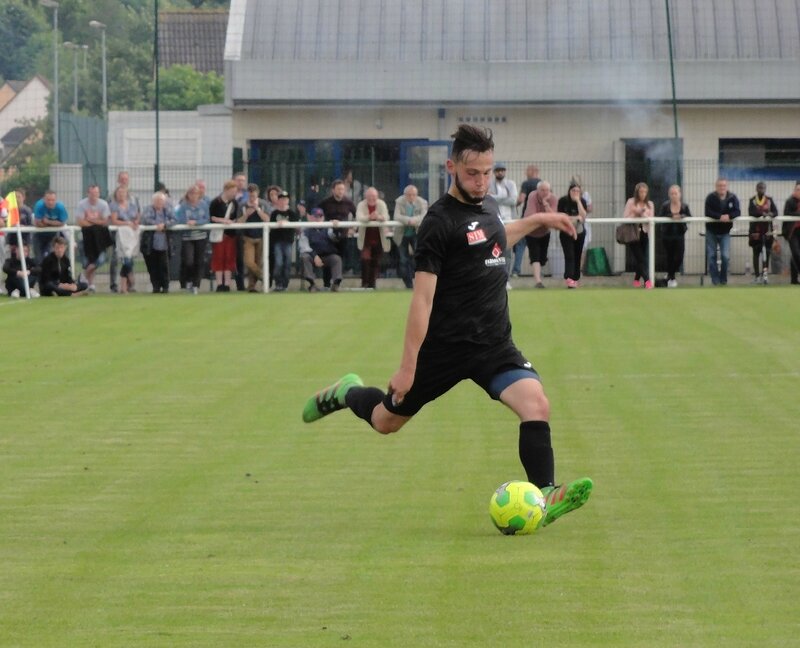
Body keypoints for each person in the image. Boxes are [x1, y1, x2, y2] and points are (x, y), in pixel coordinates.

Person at [301, 125, 592, 528]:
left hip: (493, 344)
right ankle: (347, 391)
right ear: (452, 166)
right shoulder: (437, 223)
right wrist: (407, 367)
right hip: (443, 350)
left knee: (536, 404)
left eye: (488, 172)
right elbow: (421, 300)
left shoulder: (487, 206)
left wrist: (540, 218)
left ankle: (544, 494)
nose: (481, 181)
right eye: (473, 173)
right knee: (386, 422)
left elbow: (493, 238)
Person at [76, 185, 113, 293]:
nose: (94, 196)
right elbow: (80, 222)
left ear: (99, 193)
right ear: (88, 194)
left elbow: (105, 221)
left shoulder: (103, 204)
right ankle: (90, 284)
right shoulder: (82, 204)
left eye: (96, 193)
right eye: (92, 193)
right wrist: (97, 221)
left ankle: (83, 277)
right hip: (86, 238)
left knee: (100, 260)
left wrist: (90, 220)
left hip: (99, 239)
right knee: (88, 261)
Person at [318, 179, 357, 281]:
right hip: (328, 236)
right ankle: (326, 283)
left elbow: (357, 215)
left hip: (343, 236)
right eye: (339, 189)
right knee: (328, 259)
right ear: (333, 190)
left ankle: (336, 282)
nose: (341, 191)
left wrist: (353, 228)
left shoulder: (348, 202)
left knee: (340, 259)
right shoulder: (325, 202)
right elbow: (317, 214)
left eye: (342, 189)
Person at [704, 178, 740, 286]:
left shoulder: (733, 198)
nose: (722, 188)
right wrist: (719, 217)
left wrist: (729, 216)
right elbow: (708, 212)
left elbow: (737, 211)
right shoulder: (710, 198)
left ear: (727, 186)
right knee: (711, 256)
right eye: (720, 186)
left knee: (725, 256)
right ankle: (715, 280)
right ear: (716, 187)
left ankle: (723, 279)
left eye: (724, 186)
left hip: (725, 232)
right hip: (711, 231)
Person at [488, 161, 519, 288]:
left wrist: (496, 197)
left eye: (502, 170)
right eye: (498, 170)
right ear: (494, 172)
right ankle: (493, 279)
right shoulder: (490, 183)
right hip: (494, 219)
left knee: (507, 250)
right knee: (492, 250)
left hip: (509, 221)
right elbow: (487, 198)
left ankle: (506, 279)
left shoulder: (510, 184)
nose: (500, 172)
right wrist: (502, 197)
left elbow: (513, 200)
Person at [108, 171, 140, 292]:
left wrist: (136, 221)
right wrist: (126, 223)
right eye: (122, 179)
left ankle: (129, 284)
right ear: (118, 180)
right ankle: (114, 284)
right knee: (116, 258)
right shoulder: (112, 198)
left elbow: (138, 213)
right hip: (117, 234)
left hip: (131, 233)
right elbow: (111, 217)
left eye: (126, 179)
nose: (124, 181)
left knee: (129, 257)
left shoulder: (133, 198)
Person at [175, 184, 210, 294]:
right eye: (191, 193)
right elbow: (179, 219)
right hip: (187, 237)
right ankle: (188, 281)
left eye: (196, 193)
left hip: (201, 237)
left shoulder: (204, 205)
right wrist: (187, 222)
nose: (194, 196)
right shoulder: (183, 206)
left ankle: (196, 285)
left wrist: (196, 222)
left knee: (199, 261)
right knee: (188, 260)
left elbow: (206, 219)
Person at [299, 207, 343, 292]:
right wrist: (315, 256)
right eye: (316, 216)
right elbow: (304, 247)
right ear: (311, 217)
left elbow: (335, 238)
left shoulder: (327, 228)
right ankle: (312, 284)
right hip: (312, 257)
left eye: (320, 216)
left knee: (336, 258)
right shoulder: (305, 230)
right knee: (305, 257)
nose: (318, 219)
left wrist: (335, 228)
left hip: (326, 256)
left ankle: (336, 284)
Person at [523, 180, 557, 288]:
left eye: (547, 190)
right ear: (537, 190)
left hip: (545, 231)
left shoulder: (553, 199)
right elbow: (531, 215)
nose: (545, 192)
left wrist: (546, 204)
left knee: (542, 258)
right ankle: (538, 281)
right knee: (535, 257)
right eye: (542, 190)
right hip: (531, 231)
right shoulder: (532, 196)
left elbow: (554, 217)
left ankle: (538, 274)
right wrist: (545, 220)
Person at [393, 185, 428, 289]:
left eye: (414, 195)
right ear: (405, 195)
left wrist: (414, 220)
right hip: (402, 235)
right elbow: (397, 216)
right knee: (403, 260)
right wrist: (408, 220)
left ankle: (420, 283)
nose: (412, 197)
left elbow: (424, 215)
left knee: (419, 258)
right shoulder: (399, 201)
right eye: (409, 195)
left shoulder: (422, 202)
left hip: (416, 234)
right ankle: (408, 284)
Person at [355, 187, 391, 289]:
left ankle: (372, 284)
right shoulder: (361, 205)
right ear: (366, 197)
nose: (372, 198)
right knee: (365, 260)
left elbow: (386, 216)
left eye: (374, 196)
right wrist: (369, 217)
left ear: (377, 197)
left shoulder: (382, 204)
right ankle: (364, 284)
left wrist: (378, 217)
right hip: (365, 238)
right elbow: (359, 217)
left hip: (379, 238)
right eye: (370, 196)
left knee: (375, 262)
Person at [140, 192, 176, 293]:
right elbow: (145, 219)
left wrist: (164, 225)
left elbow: (174, 219)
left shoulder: (168, 209)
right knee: (152, 266)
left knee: (164, 266)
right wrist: (157, 225)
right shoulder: (148, 209)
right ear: (153, 201)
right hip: (150, 244)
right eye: (157, 200)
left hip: (164, 244)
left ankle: (165, 287)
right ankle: (155, 286)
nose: (159, 202)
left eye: (161, 201)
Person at [237, 183, 269, 292]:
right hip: (247, 238)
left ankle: (252, 286)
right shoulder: (242, 205)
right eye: (250, 196)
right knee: (249, 262)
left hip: (261, 237)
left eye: (254, 196)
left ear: (257, 194)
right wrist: (246, 215)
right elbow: (238, 222)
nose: (252, 198)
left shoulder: (263, 204)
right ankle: (263, 276)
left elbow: (268, 220)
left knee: (258, 262)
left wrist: (258, 210)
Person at [658, 185, 691, 288]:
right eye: (672, 193)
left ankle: (669, 276)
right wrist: (671, 217)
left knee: (679, 257)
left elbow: (689, 217)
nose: (674, 195)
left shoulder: (684, 206)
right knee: (670, 257)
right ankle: (671, 278)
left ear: (679, 194)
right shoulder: (665, 206)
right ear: (669, 195)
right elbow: (660, 217)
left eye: (675, 193)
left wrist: (682, 216)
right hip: (667, 235)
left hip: (679, 235)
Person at [623, 182, 655, 289]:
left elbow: (650, 218)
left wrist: (642, 213)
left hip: (644, 233)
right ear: (637, 192)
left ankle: (636, 280)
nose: (643, 194)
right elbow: (625, 218)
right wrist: (635, 213)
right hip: (633, 234)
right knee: (640, 258)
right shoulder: (630, 202)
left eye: (645, 192)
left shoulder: (650, 204)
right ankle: (647, 281)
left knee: (641, 258)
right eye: (641, 192)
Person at [209, 180, 239, 292]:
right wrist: (223, 221)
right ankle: (219, 284)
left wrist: (232, 222)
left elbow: (235, 217)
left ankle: (227, 283)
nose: (233, 194)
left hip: (230, 235)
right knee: (219, 258)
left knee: (229, 258)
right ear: (226, 190)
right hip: (219, 234)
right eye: (232, 191)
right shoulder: (215, 202)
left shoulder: (234, 203)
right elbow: (211, 217)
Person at [556, 183, 588, 288]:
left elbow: (583, 217)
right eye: (573, 191)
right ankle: (569, 278)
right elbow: (560, 216)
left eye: (577, 191)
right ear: (569, 191)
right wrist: (574, 218)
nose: (575, 193)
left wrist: (578, 201)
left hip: (579, 232)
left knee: (578, 255)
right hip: (566, 232)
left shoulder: (582, 201)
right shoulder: (563, 201)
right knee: (569, 255)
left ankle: (575, 278)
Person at [747, 182, 778, 285]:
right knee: (756, 253)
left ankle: (765, 275)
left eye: (763, 188)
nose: (762, 190)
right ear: (756, 189)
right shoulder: (752, 200)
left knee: (767, 252)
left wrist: (770, 214)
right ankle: (756, 276)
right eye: (760, 188)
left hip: (767, 230)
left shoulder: (769, 200)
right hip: (755, 230)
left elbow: (775, 212)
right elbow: (751, 212)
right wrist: (762, 213)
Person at [514, 164, 541, 276]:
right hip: (540, 219)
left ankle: (516, 271)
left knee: (520, 244)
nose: (525, 173)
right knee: (537, 245)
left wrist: (515, 204)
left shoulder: (526, 183)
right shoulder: (542, 184)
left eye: (527, 171)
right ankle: (539, 273)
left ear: (532, 171)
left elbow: (521, 199)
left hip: (528, 217)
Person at [270, 190, 299, 292]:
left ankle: (285, 284)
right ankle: (278, 283)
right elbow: (271, 227)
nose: (283, 201)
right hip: (277, 242)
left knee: (287, 263)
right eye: (281, 199)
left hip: (288, 241)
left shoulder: (292, 213)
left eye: (285, 199)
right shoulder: (274, 213)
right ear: (278, 201)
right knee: (278, 262)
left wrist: (287, 222)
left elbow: (296, 226)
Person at [33, 190, 69, 262]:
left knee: (50, 257)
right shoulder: (39, 205)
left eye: (53, 200)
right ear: (44, 199)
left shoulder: (60, 207)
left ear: (56, 200)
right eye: (48, 200)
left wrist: (47, 222)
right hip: (39, 235)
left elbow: (62, 223)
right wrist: (55, 223)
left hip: (53, 235)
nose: (50, 202)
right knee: (38, 259)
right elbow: (38, 223)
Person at [783, 181, 800, 285]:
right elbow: (787, 214)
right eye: (798, 189)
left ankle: (794, 280)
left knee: (795, 255)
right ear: (794, 190)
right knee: (796, 253)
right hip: (792, 231)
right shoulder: (790, 201)